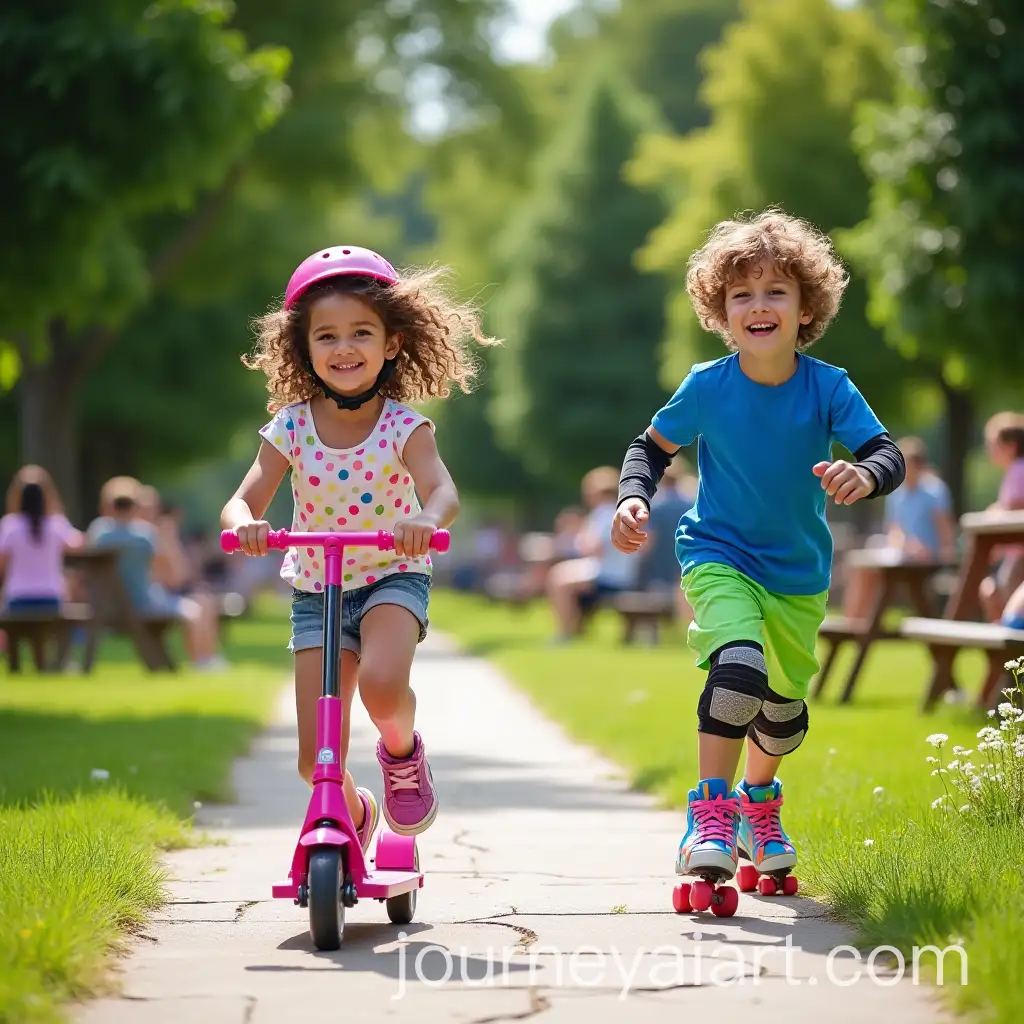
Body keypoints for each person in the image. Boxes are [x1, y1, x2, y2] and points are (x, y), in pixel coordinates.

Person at [611, 209, 906, 889]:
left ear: (807, 308)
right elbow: (648, 449)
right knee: (738, 670)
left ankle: (758, 806)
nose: (759, 305)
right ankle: (710, 815)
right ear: (720, 312)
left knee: (783, 714)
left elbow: (885, 453)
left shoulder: (829, 387)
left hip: (799, 574)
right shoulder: (707, 386)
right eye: (741, 294)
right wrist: (635, 496)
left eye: (776, 291)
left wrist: (863, 473)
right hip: (718, 554)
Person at [220, 245, 494, 849]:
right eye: (327, 336)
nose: (344, 348)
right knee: (312, 758)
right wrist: (246, 524)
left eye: (361, 333)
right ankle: (357, 815)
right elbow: (243, 500)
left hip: (392, 576)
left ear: (392, 343)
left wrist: (425, 517)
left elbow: (442, 489)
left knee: (382, 684)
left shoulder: (404, 426)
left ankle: (401, 753)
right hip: (317, 588)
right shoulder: (289, 427)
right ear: (305, 349)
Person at [89, 478, 226, 669]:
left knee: (200, 602)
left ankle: (205, 661)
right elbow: (176, 575)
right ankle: (203, 662)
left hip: (105, 605)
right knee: (195, 609)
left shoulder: (99, 532)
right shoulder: (145, 535)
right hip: (142, 603)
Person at [842, 436, 956, 619]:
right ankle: (854, 625)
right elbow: (895, 529)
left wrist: (944, 559)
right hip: (902, 555)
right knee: (863, 571)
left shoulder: (935, 491)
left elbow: (944, 528)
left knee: (874, 574)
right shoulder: (897, 493)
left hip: (929, 559)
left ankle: (860, 630)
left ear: (918, 465)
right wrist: (902, 544)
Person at [545, 466, 639, 641]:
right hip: (624, 575)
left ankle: (565, 633)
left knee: (558, 579)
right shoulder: (622, 511)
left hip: (609, 577)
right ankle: (575, 629)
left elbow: (592, 548)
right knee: (563, 575)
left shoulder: (604, 514)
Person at [0, 465, 83, 612]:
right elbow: (79, 544)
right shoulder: (57, 524)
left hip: (18, 598)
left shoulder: (10, 525)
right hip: (51, 597)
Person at [979, 412, 1024, 622]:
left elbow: (1016, 507)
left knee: (1005, 600)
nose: (989, 449)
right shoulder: (1014, 471)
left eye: (993, 443)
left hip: (1020, 556)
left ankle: (1008, 652)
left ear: (1011, 446)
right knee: (992, 592)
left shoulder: (1019, 470)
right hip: (1014, 555)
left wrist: (994, 514)